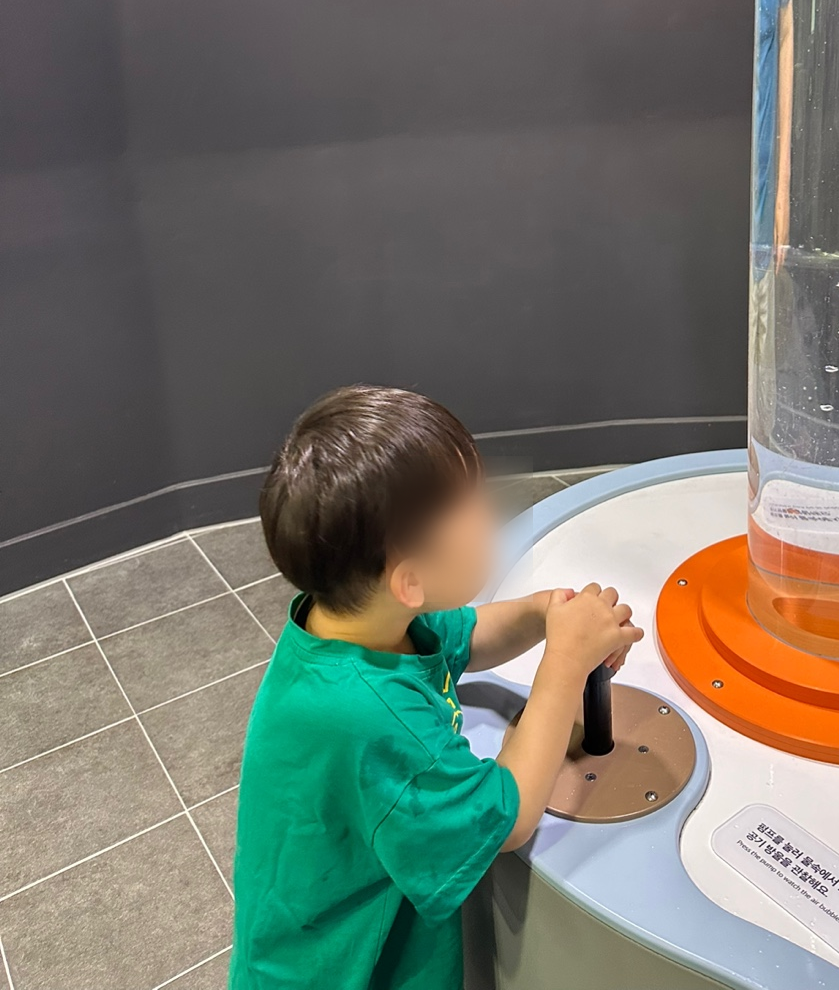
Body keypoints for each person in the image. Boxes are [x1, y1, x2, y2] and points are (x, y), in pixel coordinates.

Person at [229, 384, 643, 990]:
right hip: (341, 973)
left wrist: (547, 613)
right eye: (475, 505)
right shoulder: (372, 716)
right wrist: (564, 663)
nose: (492, 514)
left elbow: (468, 635)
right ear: (411, 582)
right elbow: (508, 818)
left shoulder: (357, 628)